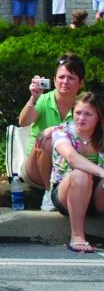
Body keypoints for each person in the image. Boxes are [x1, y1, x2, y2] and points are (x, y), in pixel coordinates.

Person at [18, 54, 85, 204]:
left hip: (67, 168)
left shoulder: (83, 106)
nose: (65, 82)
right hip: (37, 169)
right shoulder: (43, 100)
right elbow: (23, 122)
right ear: (54, 80)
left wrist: (55, 128)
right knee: (49, 140)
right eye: (61, 77)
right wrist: (33, 98)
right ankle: (49, 194)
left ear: (81, 83)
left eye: (71, 78)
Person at [45, 92, 104, 253]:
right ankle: (77, 236)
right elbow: (72, 158)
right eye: (78, 113)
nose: (81, 118)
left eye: (88, 114)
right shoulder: (62, 131)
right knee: (81, 174)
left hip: (98, 195)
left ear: (98, 117)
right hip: (67, 191)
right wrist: (101, 172)